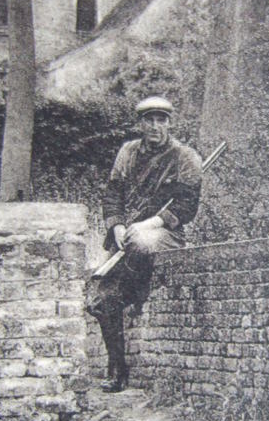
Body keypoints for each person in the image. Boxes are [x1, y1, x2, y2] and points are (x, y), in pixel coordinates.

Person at [87, 96, 203, 392]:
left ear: (169, 123)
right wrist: (117, 225)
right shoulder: (127, 153)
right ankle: (118, 369)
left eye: (161, 120)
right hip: (127, 237)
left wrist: (148, 224)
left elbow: (186, 207)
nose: (155, 126)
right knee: (100, 301)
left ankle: (138, 291)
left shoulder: (184, 157)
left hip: (164, 234)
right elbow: (113, 194)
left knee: (141, 245)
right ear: (140, 124)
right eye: (149, 120)